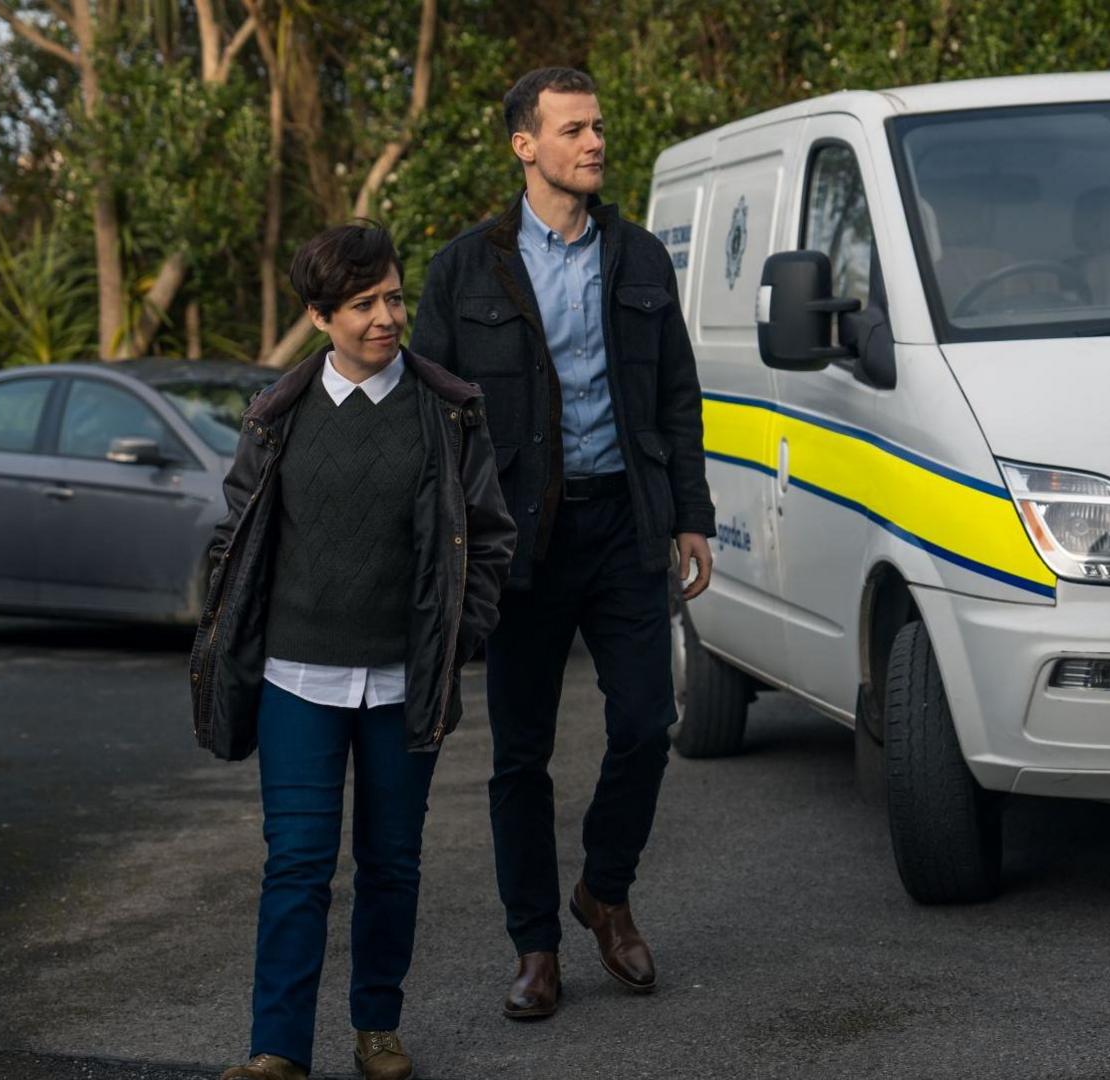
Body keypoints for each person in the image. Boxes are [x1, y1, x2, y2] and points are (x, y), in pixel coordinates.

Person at [409, 66, 716, 1020]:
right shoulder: (464, 271)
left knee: (645, 726)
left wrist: (691, 514)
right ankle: (535, 944)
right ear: (524, 145)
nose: (594, 143)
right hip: (519, 539)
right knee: (520, 756)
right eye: (573, 129)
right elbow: (429, 422)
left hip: (626, 522)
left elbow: (676, 396)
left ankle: (605, 892)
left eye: (597, 127)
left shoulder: (640, 259)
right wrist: (447, 542)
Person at [189, 222, 515, 1080]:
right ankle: (277, 1049)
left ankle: (378, 1025)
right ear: (319, 316)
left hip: (404, 680)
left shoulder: (447, 410)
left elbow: (489, 537)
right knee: (295, 862)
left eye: (394, 298)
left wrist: (460, 630)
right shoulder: (276, 417)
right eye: (364, 305)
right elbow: (236, 534)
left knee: (391, 861)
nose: (386, 317)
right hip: (296, 678)